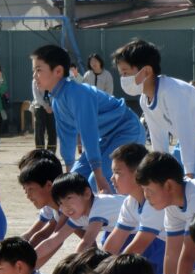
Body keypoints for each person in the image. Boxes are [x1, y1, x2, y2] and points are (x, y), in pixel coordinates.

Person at [113, 39, 195, 184]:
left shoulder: (171, 91)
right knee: (171, 173)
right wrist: (160, 165)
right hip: (188, 138)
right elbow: (157, 135)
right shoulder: (144, 100)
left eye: (126, 73)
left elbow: (186, 131)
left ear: (146, 71)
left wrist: (189, 172)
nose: (123, 79)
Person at [31, 44, 145, 194]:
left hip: (127, 130)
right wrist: (68, 175)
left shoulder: (76, 93)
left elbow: (88, 132)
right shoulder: (57, 100)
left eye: (38, 70)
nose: (34, 76)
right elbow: (67, 137)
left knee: (97, 181)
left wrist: (98, 175)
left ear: (58, 71)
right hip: (105, 137)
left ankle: (119, 216)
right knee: (75, 181)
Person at [101, 143, 166, 274]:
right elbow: (113, 243)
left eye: (117, 173)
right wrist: (98, 267)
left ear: (138, 174)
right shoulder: (130, 202)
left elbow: (139, 246)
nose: (112, 178)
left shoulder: (154, 200)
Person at [34, 172, 125, 266]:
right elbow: (53, 240)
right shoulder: (81, 213)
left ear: (87, 194)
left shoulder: (98, 207)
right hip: (129, 231)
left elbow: (86, 242)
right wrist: (30, 259)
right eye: (60, 203)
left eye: (69, 198)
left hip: (138, 227)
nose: (65, 206)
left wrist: (71, 266)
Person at [31, 79, 56, 153]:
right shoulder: (35, 81)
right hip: (39, 107)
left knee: (52, 131)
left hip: (51, 107)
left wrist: (51, 106)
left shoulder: (52, 79)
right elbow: (37, 97)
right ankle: (40, 152)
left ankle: (51, 152)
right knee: (39, 132)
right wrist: (46, 106)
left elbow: (54, 93)